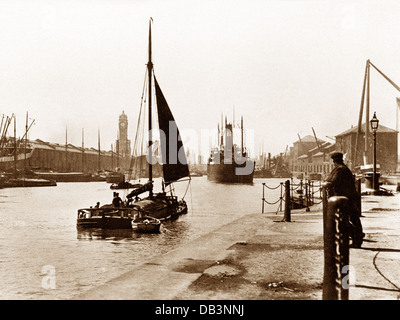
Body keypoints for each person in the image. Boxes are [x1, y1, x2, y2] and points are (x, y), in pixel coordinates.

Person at [326, 152, 365, 248]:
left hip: (345, 199)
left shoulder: (340, 169)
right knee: (353, 219)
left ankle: (357, 236)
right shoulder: (342, 168)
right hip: (347, 197)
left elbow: (332, 180)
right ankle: (357, 237)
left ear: (334, 161)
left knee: (344, 220)